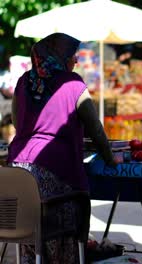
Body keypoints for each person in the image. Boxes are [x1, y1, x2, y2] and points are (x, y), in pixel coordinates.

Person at [7, 33, 116, 263]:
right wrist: (110, 158)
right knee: (70, 213)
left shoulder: (24, 82)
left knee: (29, 231)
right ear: (59, 56)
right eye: (72, 54)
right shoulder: (73, 83)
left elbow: (18, 124)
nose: (76, 60)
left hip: (17, 171)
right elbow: (95, 129)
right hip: (54, 169)